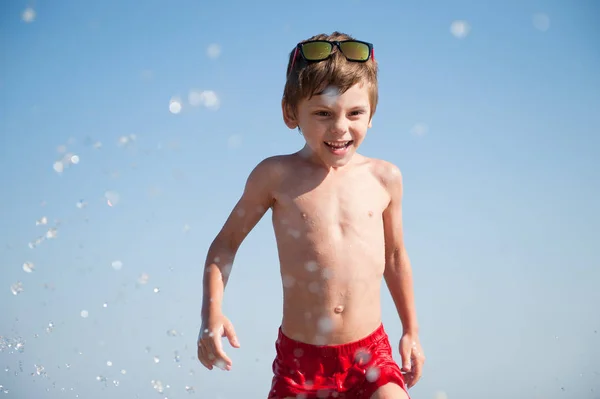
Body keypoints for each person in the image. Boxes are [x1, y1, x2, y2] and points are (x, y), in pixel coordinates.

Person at [197, 31, 425, 399]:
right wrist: (212, 314)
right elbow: (224, 244)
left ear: (372, 115)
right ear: (291, 113)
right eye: (322, 114)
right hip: (302, 360)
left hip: (370, 353)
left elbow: (395, 257)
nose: (339, 128)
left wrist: (411, 330)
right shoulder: (275, 176)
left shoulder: (385, 178)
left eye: (355, 113)